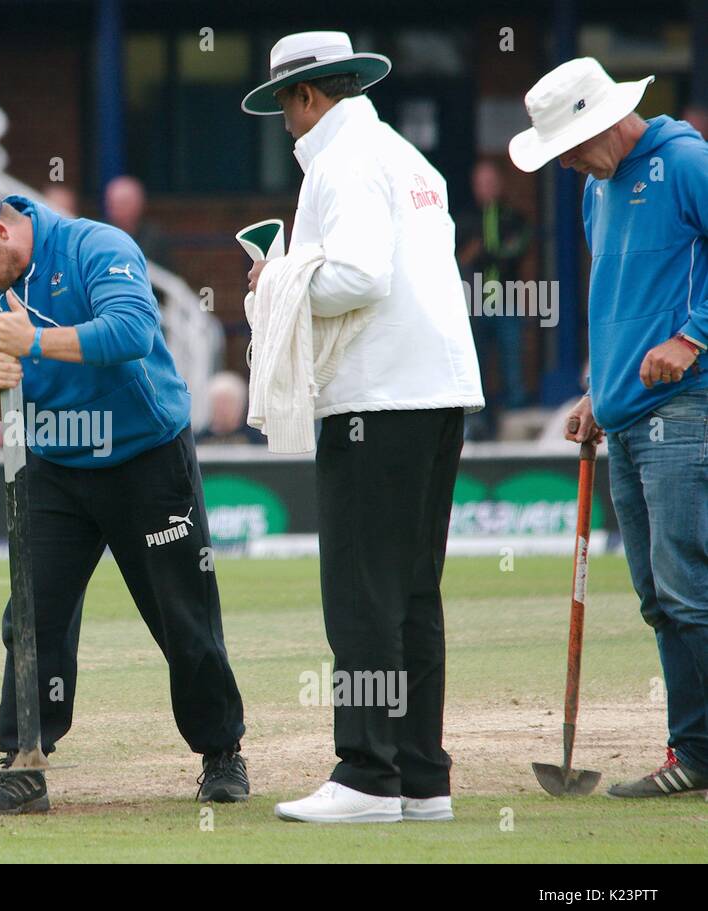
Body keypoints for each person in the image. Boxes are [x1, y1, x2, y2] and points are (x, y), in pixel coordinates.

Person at [0, 182, 249, 813]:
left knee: (183, 614)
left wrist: (35, 345)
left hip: (144, 457)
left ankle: (221, 751)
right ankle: (23, 759)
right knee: (31, 619)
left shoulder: (95, 245)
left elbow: (130, 330)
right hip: (53, 466)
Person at [242, 32, 484, 823]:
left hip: (375, 400)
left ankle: (367, 775)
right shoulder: (407, 157)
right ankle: (421, 775)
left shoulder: (341, 162)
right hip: (438, 390)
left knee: (361, 593)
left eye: (287, 107)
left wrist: (276, 278)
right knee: (413, 590)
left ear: (309, 96)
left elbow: (357, 275)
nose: (286, 125)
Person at [511, 58, 708, 798]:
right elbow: (621, 298)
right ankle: (692, 752)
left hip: (687, 408)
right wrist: (600, 388)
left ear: (606, 120)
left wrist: (692, 337)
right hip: (624, 417)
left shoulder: (688, 161)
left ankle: (701, 750)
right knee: (661, 597)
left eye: (569, 144)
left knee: (690, 590)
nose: (564, 162)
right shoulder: (598, 187)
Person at [456, 158, 531, 435]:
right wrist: (481, 254)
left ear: (499, 184)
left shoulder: (513, 217)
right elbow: (460, 259)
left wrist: (485, 252)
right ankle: (479, 418)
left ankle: (515, 414)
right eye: (481, 183)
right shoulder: (465, 219)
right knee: (476, 361)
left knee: (512, 358)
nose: (486, 188)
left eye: (491, 182)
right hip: (474, 301)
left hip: (505, 297)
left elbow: (516, 249)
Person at [102, 174, 170, 268]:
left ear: (139, 204)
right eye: (112, 204)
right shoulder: (101, 236)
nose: (116, 209)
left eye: (123, 203)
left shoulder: (154, 238)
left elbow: (165, 277)